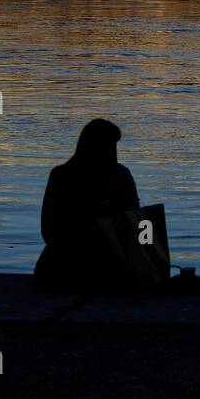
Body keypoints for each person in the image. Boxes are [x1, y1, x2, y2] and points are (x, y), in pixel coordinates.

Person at [34, 119, 140, 292]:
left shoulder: (60, 175)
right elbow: (136, 221)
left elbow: (48, 232)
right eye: (110, 145)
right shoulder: (120, 176)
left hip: (59, 267)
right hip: (99, 265)